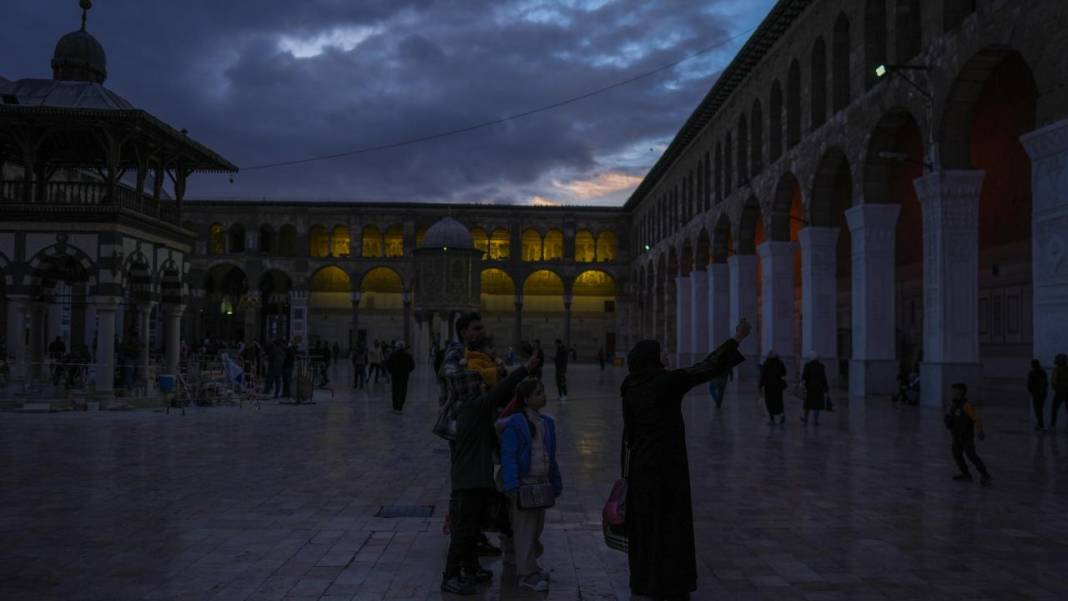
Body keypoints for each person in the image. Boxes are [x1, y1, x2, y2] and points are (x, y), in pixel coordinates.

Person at [621, 320, 749, 600]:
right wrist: (736, 339)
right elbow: (706, 367)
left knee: (645, 527)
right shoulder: (666, 382)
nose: (666, 356)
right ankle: (668, 581)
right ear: (653, 359)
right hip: (667, 468)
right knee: (669, 525)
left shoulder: (629, 386)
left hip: (641, 468)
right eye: (662, 353)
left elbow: (628, 433)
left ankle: (643, 580)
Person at [441, 352, 540, 594]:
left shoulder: (465, 409)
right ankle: (450, 576)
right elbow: (500, 391)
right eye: (479, 384)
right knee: (464, 531)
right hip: (469, 480)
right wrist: (525, 367)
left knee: (472, 528)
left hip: (472, 478)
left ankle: (472, 569)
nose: (483, 387)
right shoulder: (473, 408)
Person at [497, 378, 562, 592]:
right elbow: (509, 456)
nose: (543, 396)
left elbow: (550, 456)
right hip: (523, 485)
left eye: (543, 392)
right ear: (526, 399)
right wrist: (511, 484)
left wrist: (555, 481)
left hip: (541, 484)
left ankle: (527, 564)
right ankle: (526, 574)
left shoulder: (547, 423)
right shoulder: (515, 424)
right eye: (538, 393)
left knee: (535, 529)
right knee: (524, 529)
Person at [944, 383, 991, 485]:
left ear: (962, 393)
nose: (954, 394)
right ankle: (966, 474)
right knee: (956, 455)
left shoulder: (967, 406)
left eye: (956, 392)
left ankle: (985, 474)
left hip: (966, 437)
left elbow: (976, 419)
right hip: (956, 436)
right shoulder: (953, 406)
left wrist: (980, 431)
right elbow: (949, 423)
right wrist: (947, 417)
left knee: (971, 455)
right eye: (953, 392)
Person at [385, 343, 415, 414]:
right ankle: (399, 408)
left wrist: (392, 371)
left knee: (395, 391)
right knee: (403, 391)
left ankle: (395, 407)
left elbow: (388, 365)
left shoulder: (393, 355)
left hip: (395, 376)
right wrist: (407, 371)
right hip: (404, 376)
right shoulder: (408, 355)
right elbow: (413, 366)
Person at [759, 350, 787, 424]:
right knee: (779, 402)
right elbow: (784, 372)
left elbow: (763, 376)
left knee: (770, 402)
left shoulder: (766, 364)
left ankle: (772, 419)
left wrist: (760, 385)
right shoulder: (780, 363)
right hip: (778, 386)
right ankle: (782, 415)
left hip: (769, 387)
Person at [801, 355, 830, 425]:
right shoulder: (821, 366)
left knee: (808, 404)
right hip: (819, 388)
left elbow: (804, 377)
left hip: (809, 388)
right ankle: (815, 420)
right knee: (817, 405)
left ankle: (805, 419)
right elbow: (824, 377)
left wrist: (803, 384)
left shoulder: (807, 365)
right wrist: (826, 388)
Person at [1027, 358, 1048, 431]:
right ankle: (1040, 424)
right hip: (1037, 393)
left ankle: (1040, 424)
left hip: (1038, 393)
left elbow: (1043, 383)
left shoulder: (1037, 372)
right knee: (1038, 409)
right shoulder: (1038, 372)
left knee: (1038, 409)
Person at [1051, 354, 1068, 429]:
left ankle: (1053, 424)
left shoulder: (1057, 369)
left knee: (1054, 409)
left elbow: (1054, 381)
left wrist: (1056, 388)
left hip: (1060, 392)